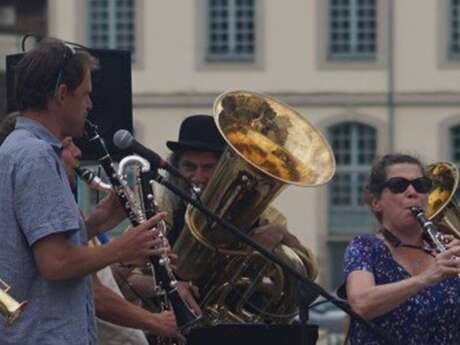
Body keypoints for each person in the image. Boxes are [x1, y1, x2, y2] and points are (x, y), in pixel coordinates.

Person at [0, 39, 167, 345]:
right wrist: (122, 248)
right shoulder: (38, 156)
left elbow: (33, 247)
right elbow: (55, 263)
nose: (90, 105)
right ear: (62, 95)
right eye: (86, 94)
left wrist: (96, 222)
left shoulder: (15, 148)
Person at [343, 153, 460, 344]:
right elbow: (361, 303)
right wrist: (425, 278)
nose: (413, 192)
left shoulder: (445, 253)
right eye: (399, 185)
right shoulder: (365, 247)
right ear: (376, 202)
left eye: (421, 185)